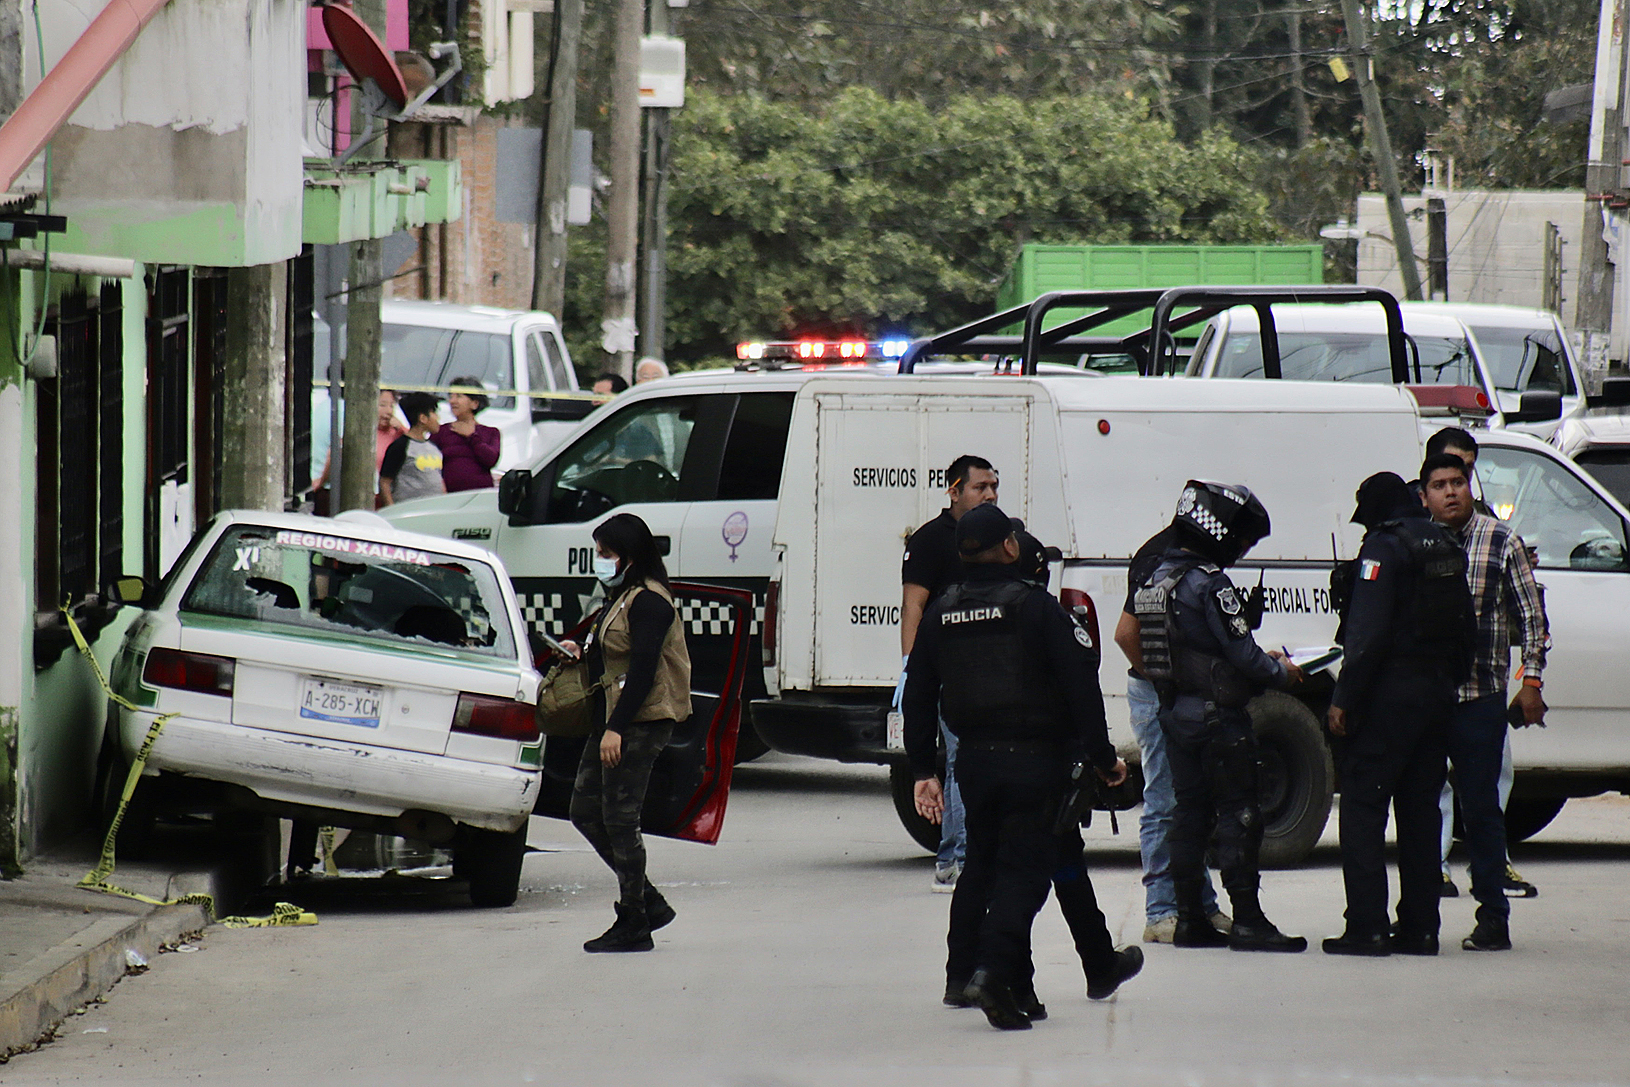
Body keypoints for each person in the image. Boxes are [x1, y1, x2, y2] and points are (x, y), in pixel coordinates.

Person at [904, 504, 1139, 1030]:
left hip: (975, 765)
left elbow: (917, 693)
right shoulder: (1037, 609)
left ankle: (999, 977)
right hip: (1036, 764)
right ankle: (992, 974)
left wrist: (924, 766)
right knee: (1025, 876)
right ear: (1010, 548)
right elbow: (1082, 691)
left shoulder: (942, 611)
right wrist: (1104, 760)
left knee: (986, 865)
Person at [1134, 480, 1307, 952]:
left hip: (1175, 715)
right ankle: (1248, 921)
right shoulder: (1209, 583)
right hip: (1218, 721)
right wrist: (1283, 672)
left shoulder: (1155, 579)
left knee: (1188, 816)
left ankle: (1190, 919)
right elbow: (1245, 658)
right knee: (1240, 815)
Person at [1322, 472, 1473, 956]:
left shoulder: (1383, 549)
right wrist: (1448, 683)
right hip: (1436, 697)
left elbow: (1365, 636)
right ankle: (1421, 928)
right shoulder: (1445, 545)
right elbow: (1466, 629)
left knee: (1364, 807)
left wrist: (1344, 698)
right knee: (1421, 812)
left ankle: (1366, 926)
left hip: (1389, 698)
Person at [1419, 452, 1548, 952]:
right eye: (1439, 484)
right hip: (1426, 701)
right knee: (1421, 806)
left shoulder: (1500, 541)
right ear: (1424, 494)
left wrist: (1531, 680)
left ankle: (1493, 915)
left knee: (1482, 809)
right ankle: (1419, 917)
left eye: (1458, 482)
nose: (1450, 492)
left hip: (1479, 698)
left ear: (1470, 486)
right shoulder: (1414, 542)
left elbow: (1532, 619)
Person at [564, 512, 693, 953]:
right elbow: (614, 655)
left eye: (606, 553)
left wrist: (616, 729)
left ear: (629, 556)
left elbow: (642, 671)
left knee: (621, 819)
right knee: (584, 810)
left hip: (638, 721)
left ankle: (635, 918)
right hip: (611, 719)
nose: (599, 561)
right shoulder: (622, 596)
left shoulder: (651, 602)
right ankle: (648, 903)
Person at [1113, 522, 1229, 944]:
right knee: (1166, 802)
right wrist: (1165, 680)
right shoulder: (1160, 558)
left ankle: (1199, 905)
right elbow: (1126, 635)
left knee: (1189, 804)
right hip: (1160, 694)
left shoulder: (1179, 554)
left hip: (1171, 693)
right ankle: (1161, 910)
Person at [898, 455, 1000, 892]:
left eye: (994, 486)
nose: (990, 494)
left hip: (991, 671)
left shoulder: (998, 536)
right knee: (960, 762)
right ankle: (954, 860)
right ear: (954, 491)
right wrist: (911, 669)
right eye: (981, 487)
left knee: (980, 762)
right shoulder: (931, 541)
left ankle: (970, 855)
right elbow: (913, 607)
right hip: (947, 672)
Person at [433, 376, 501, 492]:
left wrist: (472, 436)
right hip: (448, 497)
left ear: (474, 403)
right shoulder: (441, 431)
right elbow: (427, 458)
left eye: (459, 396)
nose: (452, 401)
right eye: (451, 396)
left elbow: (491, 460)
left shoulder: (491, 432)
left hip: (479, 496)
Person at [378, 392, 445, 505]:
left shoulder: (433, 447)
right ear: (423, 418)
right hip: (408, 510)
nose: (438, 417)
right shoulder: (401, 446)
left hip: (435, 509)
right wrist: (392, 509)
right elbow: (385, 482)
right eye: (434, 412)